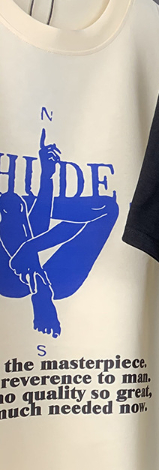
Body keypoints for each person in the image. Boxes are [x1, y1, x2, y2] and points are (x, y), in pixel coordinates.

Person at [0, 129, 118, 337]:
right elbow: (44, 226)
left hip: (24, 279)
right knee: (14, 204)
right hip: (52, 282)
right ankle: (36, 279)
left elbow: (36, 226)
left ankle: (36, 278)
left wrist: (46, 177)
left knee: (12, 204)